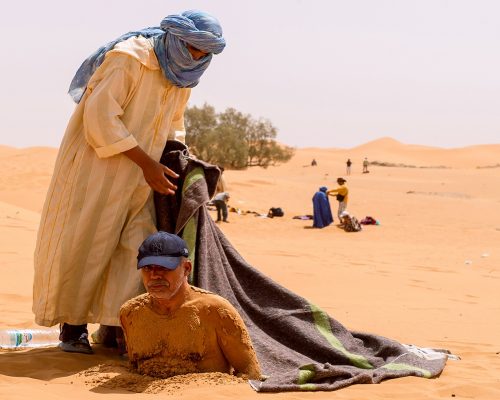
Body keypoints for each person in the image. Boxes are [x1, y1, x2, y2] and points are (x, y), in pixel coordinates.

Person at [32, 10, 226, 354]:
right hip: (97, 169)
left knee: (134, 249)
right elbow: (100, 118)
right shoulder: (129, 58)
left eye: (204, 53)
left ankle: (118, 327)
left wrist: (181, 164)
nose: (197, 57)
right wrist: (146, 163)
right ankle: (72, 328)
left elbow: (173, 125)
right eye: (193, 49)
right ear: (176, 38)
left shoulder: (182, 77)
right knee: (86, 245)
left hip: (143, 177)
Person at [120, 231, 262, 379]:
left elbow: (251, 374)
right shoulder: (131, 313)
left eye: (164, 267)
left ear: (187, 268)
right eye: (147, 268)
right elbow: (134, 369)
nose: (154, 275)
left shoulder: (215, 311)